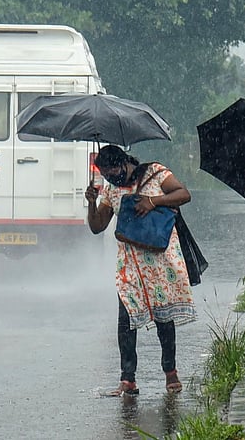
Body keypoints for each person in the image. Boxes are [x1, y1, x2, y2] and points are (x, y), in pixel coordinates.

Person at [84, 145, 196, 395]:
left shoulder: (156, 174)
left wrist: (153, 202)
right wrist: (92, 204)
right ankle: (128, 379)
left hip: (159, 261)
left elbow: (183, 194)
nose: (112, 177)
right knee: (126, 321)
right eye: (106, 173)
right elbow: (97, 227)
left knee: (164, 319)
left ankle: (170, 372)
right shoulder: (111, 190)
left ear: (125, 163)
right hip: (129, 265)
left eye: (114, 171)